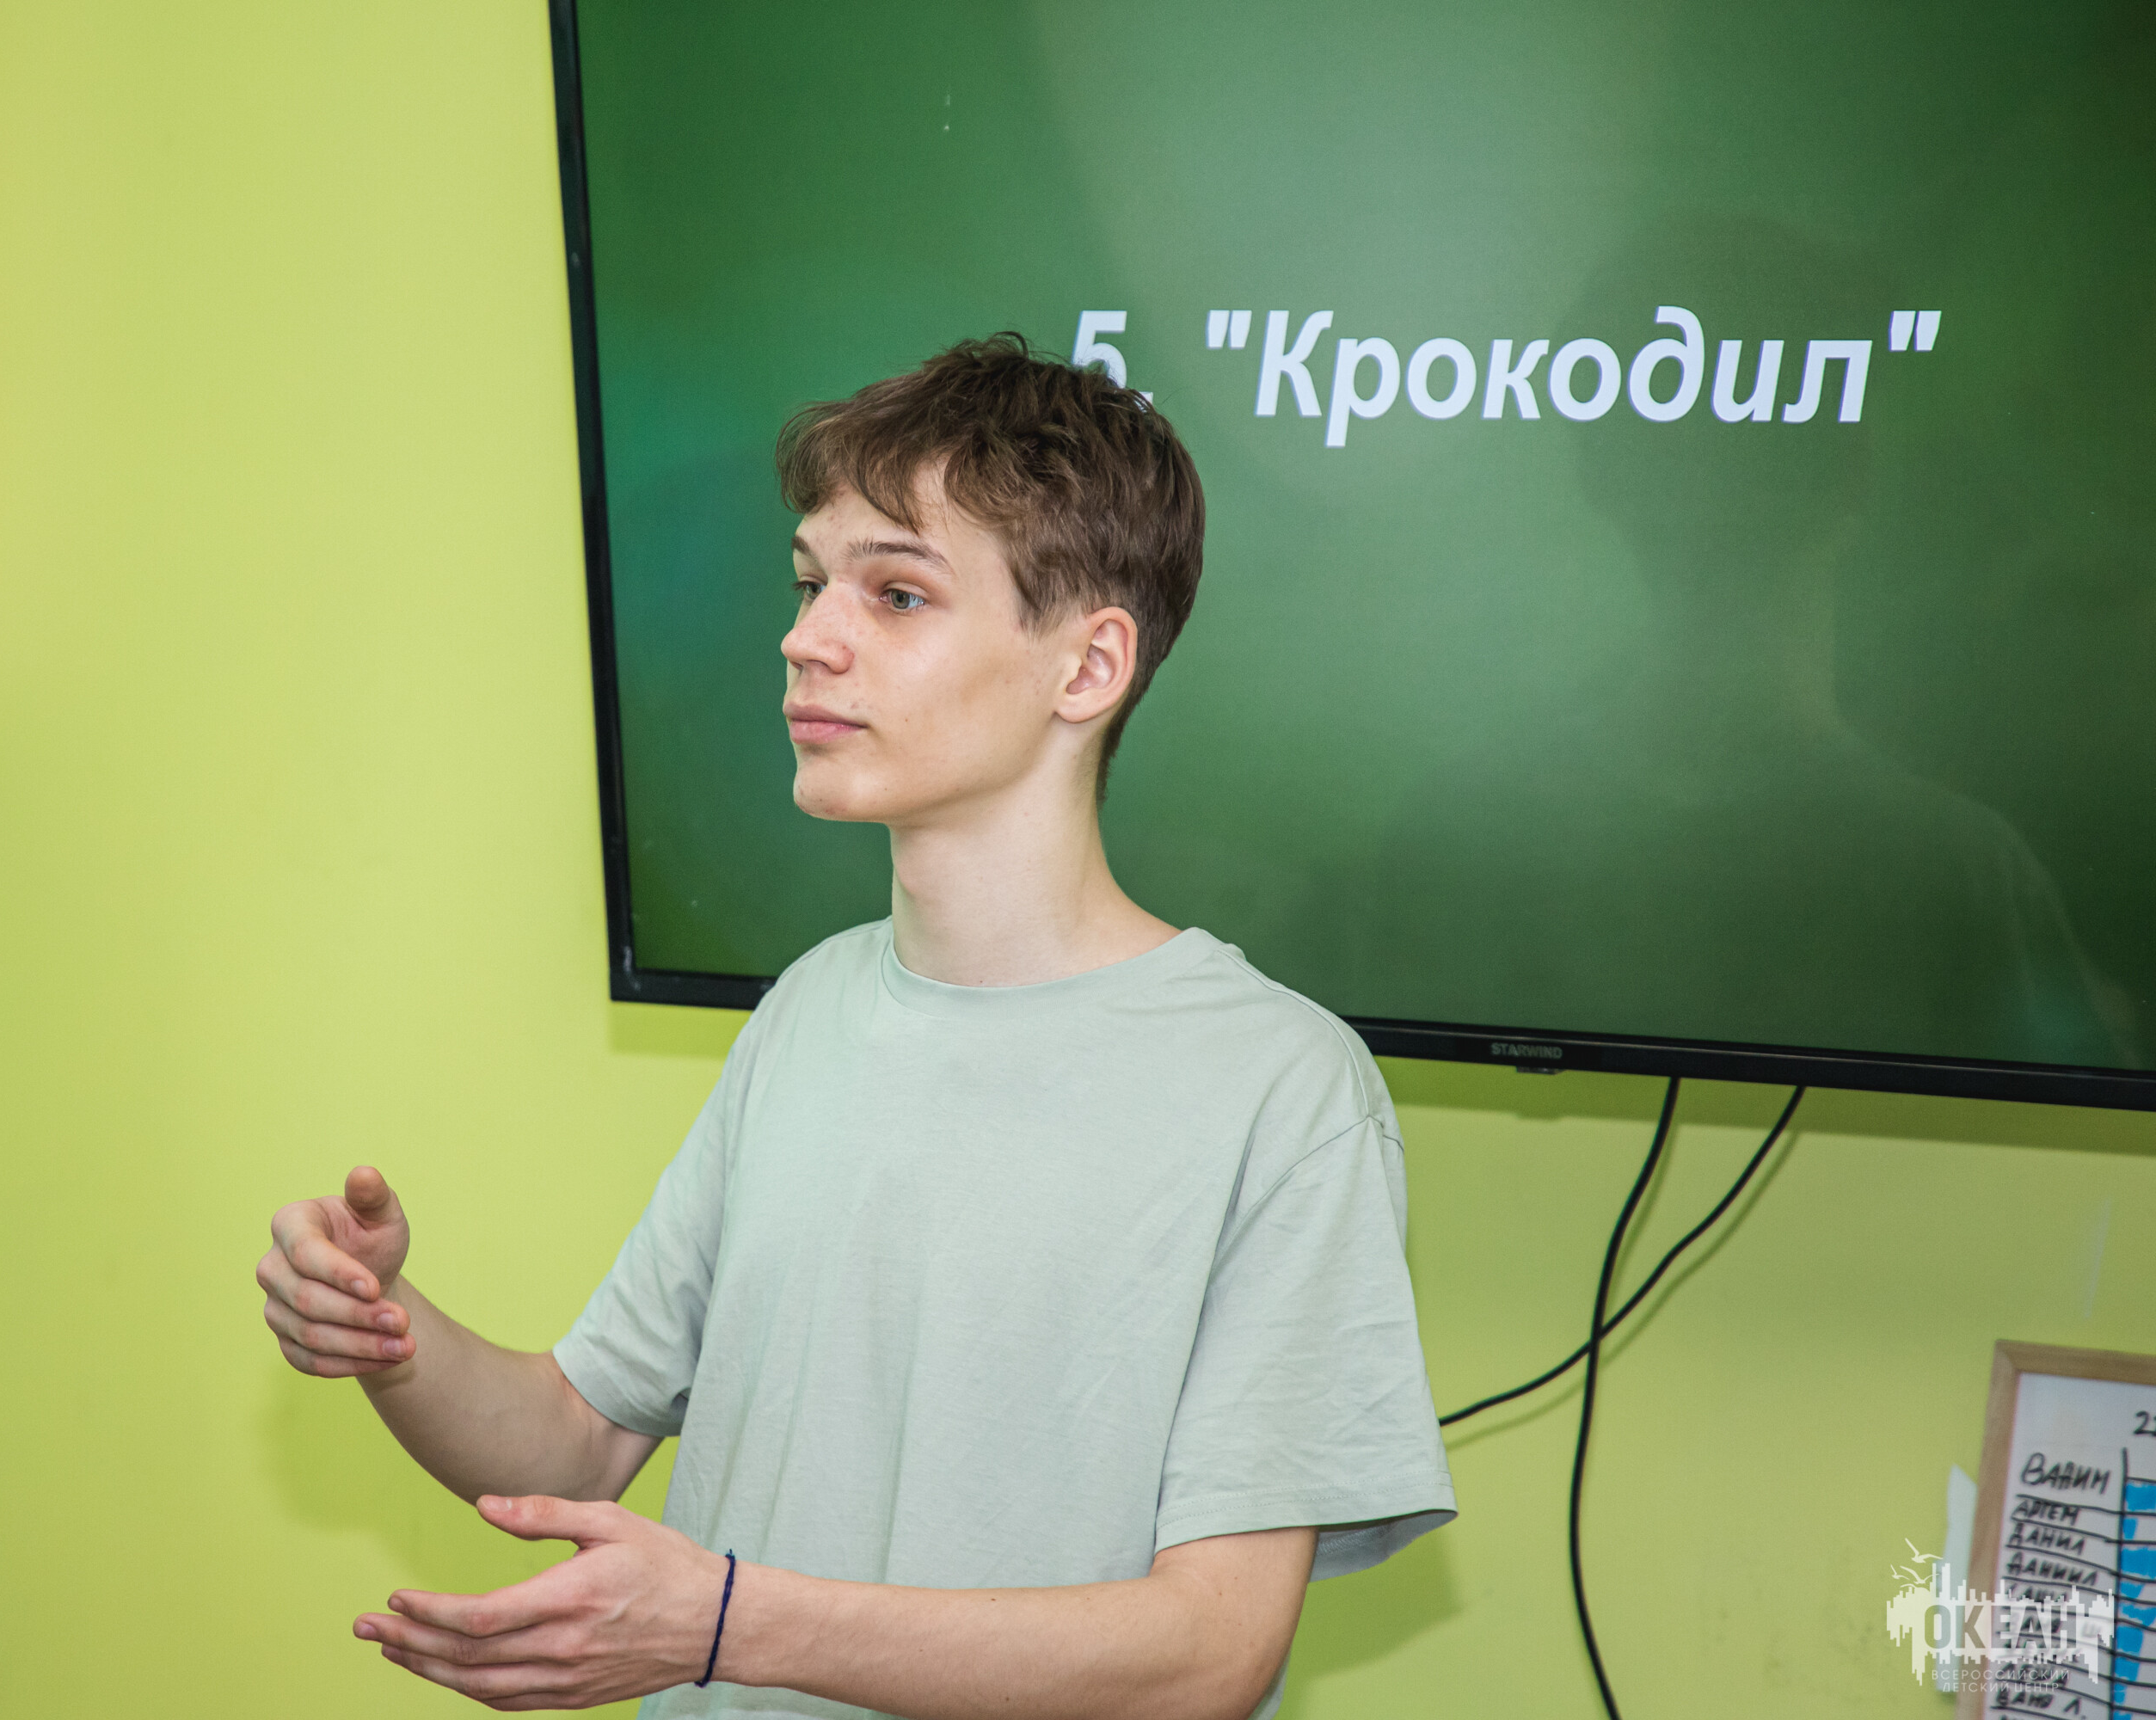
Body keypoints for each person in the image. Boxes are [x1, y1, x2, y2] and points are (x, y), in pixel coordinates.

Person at [255, 335, 1456, 1719]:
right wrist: (386, 1329)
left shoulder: (1283, 1091)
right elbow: (573, 1440)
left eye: (896, 593)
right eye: (810, 582)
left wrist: (727, 1622)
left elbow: (1211, 1653)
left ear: (1087, 667)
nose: (807, 637)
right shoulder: (808, 1010)